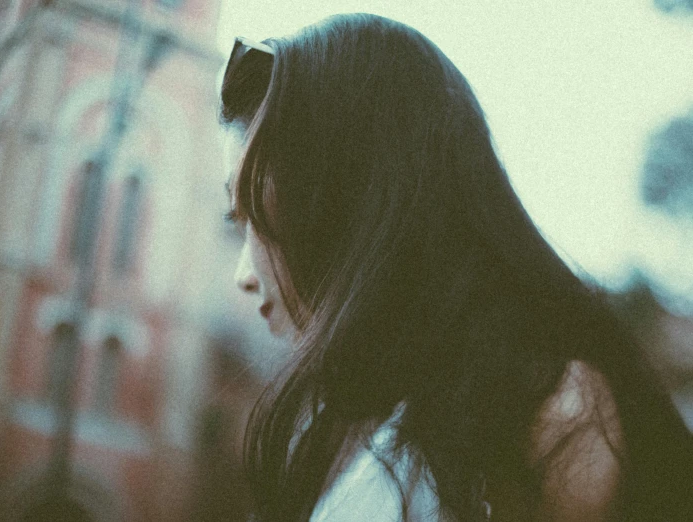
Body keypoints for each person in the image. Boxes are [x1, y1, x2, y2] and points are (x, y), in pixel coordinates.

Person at [219, 13, 693, 522]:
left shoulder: (553, 420)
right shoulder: (357, 424)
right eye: (237, 223)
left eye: (260, 218)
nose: (243, 274)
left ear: (353, 202)